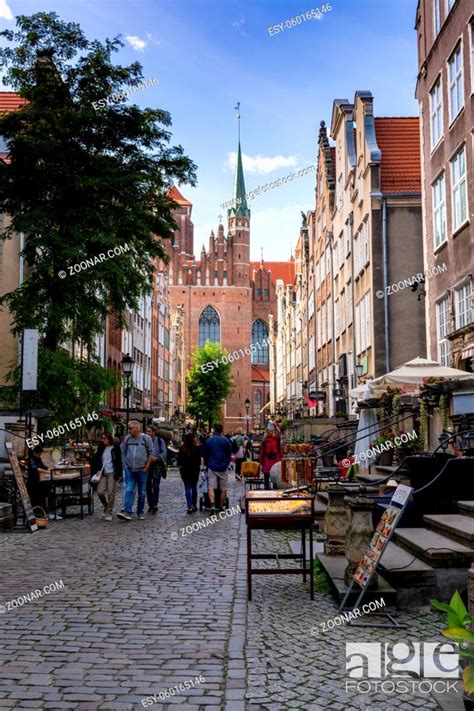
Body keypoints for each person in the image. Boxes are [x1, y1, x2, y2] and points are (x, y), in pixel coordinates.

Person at [118, 420, 154, 521]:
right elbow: (122, 452)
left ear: (137, 428)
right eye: (128, 428)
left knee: (142, 492)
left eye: (130, 428)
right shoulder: (127, 439)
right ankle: (127, 511)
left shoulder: (146, 439)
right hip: (129, 470)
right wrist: (124, 466)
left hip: (142, 470)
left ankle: (140, 512)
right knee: (129, 490)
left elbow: (151, 453)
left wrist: (146, 467)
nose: (128, 430)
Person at [91, 432, 123, 521]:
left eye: (104, 438)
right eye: (102, 438)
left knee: (110, 493)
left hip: (112, 472)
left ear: (109, 439)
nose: (103, 440)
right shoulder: (101, 447)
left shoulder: (116, 448)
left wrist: (119, 474)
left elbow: (119, 461)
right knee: (100, 491)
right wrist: (97, 469)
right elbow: (97, 459)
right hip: (103, 473)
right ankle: (106, 506)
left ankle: (109, 512)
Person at [203, 423, 231, 515]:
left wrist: (207, 463)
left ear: (214, 430)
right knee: (223, 488)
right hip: (223, 466)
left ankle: (212, 505)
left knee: (211, 487)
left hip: (212, 466)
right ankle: (221, 506)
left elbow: (205, 453)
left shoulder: (209, 440)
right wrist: (226, 463)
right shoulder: (226, 441)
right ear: (222, 430)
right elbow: (229, 454)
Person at [26, 446, 54, 517]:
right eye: (39, 454)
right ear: (35, 453)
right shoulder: (31, 459)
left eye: (40, 454)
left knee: (49, 493)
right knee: (39, 497)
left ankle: (47, 511)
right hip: (33, 484)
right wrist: (47, 472)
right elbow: (36, 469)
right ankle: (42, 512)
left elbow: (43, 466)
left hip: (39, 482)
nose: (40, 456)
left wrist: (49, 469)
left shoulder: (38, 458)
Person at [178, 432, 201, 513]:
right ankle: (194, 504)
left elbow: (179, 461)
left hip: (185, 471)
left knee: (187, 488)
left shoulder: (182, 448)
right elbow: (198, 461)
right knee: (194, 488)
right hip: (194, 471)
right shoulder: (196, 448)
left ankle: (189, 506)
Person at [145, 425, 167, 514]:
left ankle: (155, 504)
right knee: (148, 487)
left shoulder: (159, 441)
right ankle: (150, 505)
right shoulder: (144, 440)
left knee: (156, 486)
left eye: (149, 431)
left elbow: (164, 452)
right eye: (147, 432)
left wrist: (157, 458)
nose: (148, 433)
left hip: (157, 466)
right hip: (147, 465)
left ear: (154, 432)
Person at [259, 422, 282, 490]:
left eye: (271, 431)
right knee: (266, 474)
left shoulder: (276, 438)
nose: (270, 432)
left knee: (276, 474)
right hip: (267, 458)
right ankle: (267, 487)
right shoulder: (264, 440)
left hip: (276, 458)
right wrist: (261, 461)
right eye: (268, 431)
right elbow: (262, 451)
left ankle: (275, 488)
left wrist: (274, 425)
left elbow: (279, 432)